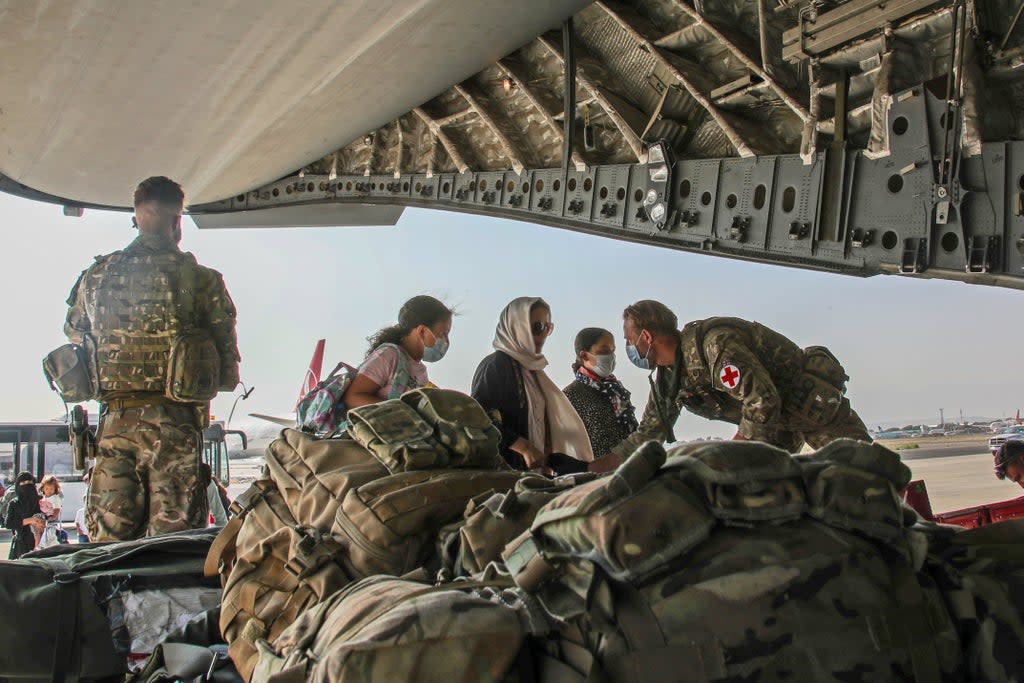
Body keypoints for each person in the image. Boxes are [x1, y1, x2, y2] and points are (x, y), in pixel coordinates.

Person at [63, 176, 240, 541]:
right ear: (178, 222)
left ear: (135, 217)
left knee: (107, 549)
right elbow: (225, 375)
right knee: (172, 549)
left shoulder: (95, 276)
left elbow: (75, 334)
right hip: (175, 429)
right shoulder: (202, 280)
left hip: (114, 427)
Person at [611, 300, 871, 458]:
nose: (628, 347)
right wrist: (601, 464)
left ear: (646, 337)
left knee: (870, 477)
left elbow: (762, 400)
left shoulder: (714, 346)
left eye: (628, 339)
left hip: (813, 408)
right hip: (776, 430)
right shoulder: (670, 378)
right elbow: (649, 432)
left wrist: (734, 451)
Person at [471, 297, 593, 473]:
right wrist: (523, 447)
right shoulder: (497, 365)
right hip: (504, 476)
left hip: (535, 474)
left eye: (547, 327)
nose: (542, 335)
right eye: (537, 328)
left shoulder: (532, 370)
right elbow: (478, 419)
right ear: (517, 327)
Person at [342, 295, 453, 410]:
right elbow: (352, 398)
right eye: (443, 333)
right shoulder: (388, 356)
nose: (446, 341)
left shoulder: (421, 372)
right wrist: (400, 412)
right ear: (422, 331)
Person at [562, 327, 638, 471]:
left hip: (631, 468)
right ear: (584, 355)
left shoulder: (615, 390)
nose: (610, 356)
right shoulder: (570, 396)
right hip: (597, 475)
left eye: (612, 351)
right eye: (603, 351)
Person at [4, 472, 43, 559]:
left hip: (41, 541)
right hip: (21, 543)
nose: (27, 485)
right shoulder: (14, 503)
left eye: (29, 482)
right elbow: (8, 523)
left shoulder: (41, 501)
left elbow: (50, 517)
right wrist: (29, 520)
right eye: (23, 483)